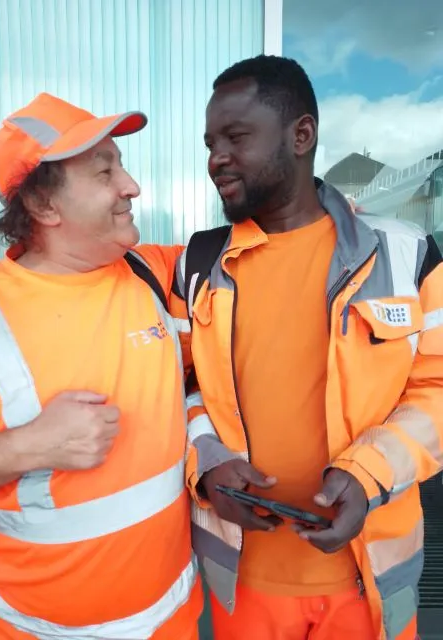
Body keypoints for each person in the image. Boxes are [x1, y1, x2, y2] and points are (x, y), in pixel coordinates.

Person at [172, 55, 443, 640]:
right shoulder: (198, 264)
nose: (216, 158)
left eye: (236, 137)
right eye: (210, 143)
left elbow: (438, 392)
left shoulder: (406, 254)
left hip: (369, 583)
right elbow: (178, 388)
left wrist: (369, 473)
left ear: (301, 136)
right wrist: (208, 464)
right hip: (243, 583)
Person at [0, 93, 201, 639]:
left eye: (121, 165)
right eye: (104, 172)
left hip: (170, 621)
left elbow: (265, 252)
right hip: (27, 630)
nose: (132, 186)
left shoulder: (155, 273)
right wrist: (31, 445)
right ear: (43, 205)